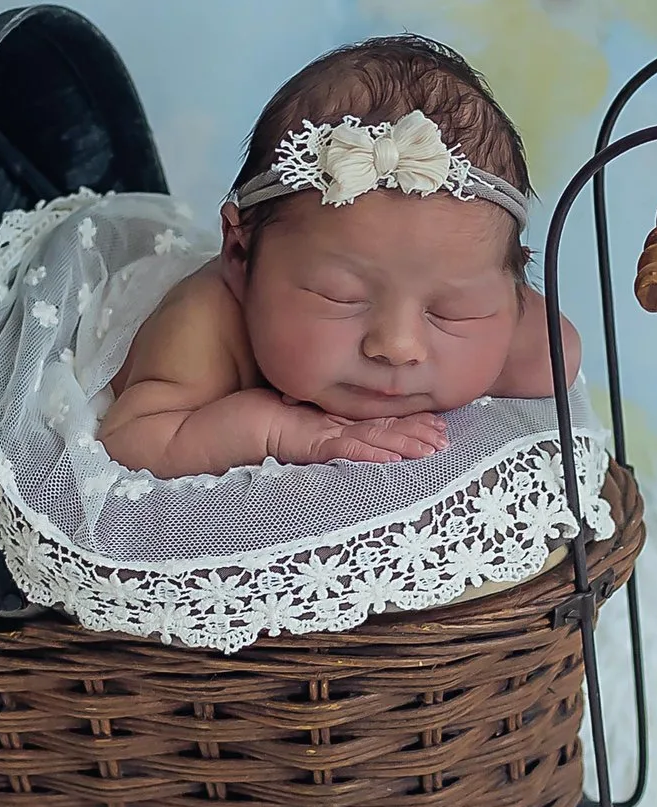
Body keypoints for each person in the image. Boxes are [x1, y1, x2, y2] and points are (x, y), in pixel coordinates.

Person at [97, 36, 580, 478]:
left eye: (450, 310)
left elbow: (556, 353)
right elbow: (131, 441)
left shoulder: (499, 315)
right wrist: (283, 430)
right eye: (341, 296)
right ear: (240, 255)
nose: (397, 345)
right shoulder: (205, 323)